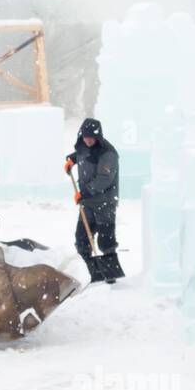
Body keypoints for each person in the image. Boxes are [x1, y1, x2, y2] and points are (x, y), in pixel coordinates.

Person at [64, 118, 123, 283]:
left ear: (98, 136)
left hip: (105, 203)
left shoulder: (108, 153)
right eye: (85, 137)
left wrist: (85, 193)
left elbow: (104, 179)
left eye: (91, 137)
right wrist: (72, 160)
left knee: (106, 240)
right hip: (87, 203)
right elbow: (82, 154)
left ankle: (110, 274)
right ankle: (89, 272)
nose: (88, 140)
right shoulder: (84, 145)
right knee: (81, 238)